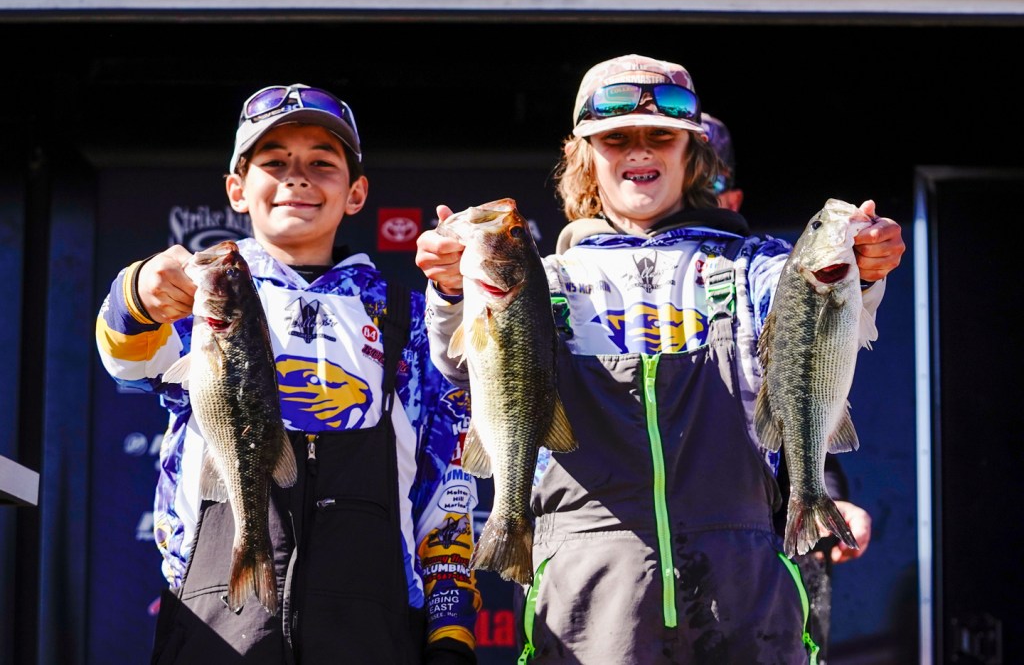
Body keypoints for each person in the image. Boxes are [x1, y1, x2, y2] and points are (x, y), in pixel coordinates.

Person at [415, 54, 904, 664]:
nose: (640, 151)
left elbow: (820, 326)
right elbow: (466, 370)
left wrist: (863, 268)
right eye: (616, 138)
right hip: (586, 600)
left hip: (746, 595)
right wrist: (452, 292)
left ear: (692, 153)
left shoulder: (755, 264)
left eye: (661, 137)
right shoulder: (545, 278)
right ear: (584, 157)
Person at [95, 84, 480, 664]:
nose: (297, 178)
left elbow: (443, 482)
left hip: (370, 627)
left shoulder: (405, 316)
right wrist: (137, 293)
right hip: (215, 621)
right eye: (274, 163)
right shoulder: (196, 295)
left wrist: (450, 627)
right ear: (237, 189)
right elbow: (126, 363)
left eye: (321, 163)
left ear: (356, 193)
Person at [703, 111, 873, 664]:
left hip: (773, 544)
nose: (696, 194)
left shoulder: (766, 270)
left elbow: (806, 394)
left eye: (710, 181)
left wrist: (831, 495)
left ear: (733, 196)